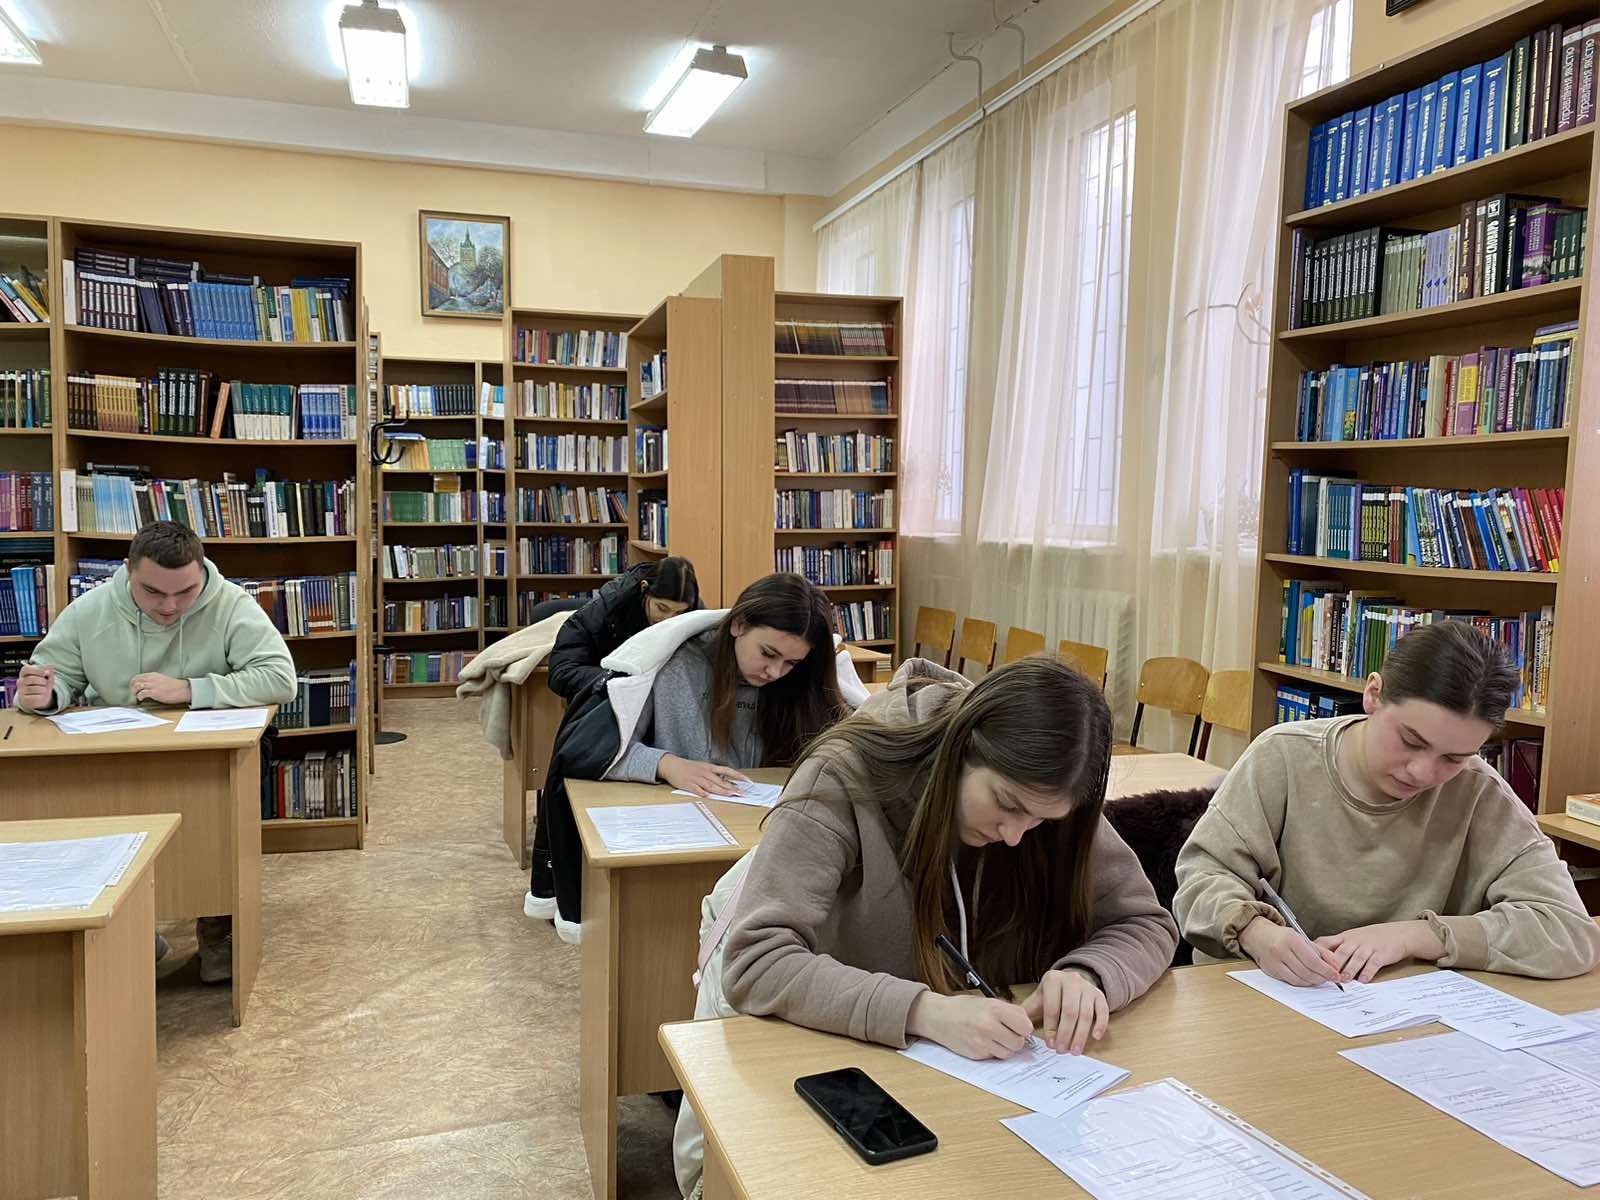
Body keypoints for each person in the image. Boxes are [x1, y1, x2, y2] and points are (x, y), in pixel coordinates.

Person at [670, 655, 1178, 1197]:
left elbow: (1145, 923)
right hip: (843, 1055)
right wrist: (924, 1012)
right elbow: (757, 961)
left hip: (974, 1081)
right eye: (1006, 805)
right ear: (962, 749)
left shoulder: (1049, 791)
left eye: (1039, 821)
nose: (1016, 835)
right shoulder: (845, 772)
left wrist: (1088, 973)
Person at [1174, 620, 1600, 987]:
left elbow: (1570, 931)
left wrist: (1419, 936)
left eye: (1454, 758)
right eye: (1411, 740)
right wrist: (1256, 932)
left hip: (1404, 1016)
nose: (1422, 773)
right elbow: (1201, 877)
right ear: (1373, 694)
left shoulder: (1480, 792)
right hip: (1262, 998)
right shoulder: (1282, 757)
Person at [17, 520, 297, 983]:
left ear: (201, 573)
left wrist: (189, 689)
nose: (169, 607)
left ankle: (218, 926)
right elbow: (55, 676)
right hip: (120, 744)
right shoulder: (90, 611)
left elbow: (279, 679)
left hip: (212, 742)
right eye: (152, 592)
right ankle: (128, 925)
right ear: (128, 571)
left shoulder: (231, 604)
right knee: (73, 796)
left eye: (185, 593)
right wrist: (44, 696)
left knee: (215, 811)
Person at [525, 572, 865, 942]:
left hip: (759, 834)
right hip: (680, 838)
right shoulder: (673, 664)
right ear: (738, 625)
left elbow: (847, 746)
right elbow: (588, 750)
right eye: (768, 654)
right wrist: (667, 764)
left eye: (791, 663)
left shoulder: (801, 680)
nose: (775, 672)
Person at [544, 556, 700, 702]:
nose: (669, 620)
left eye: (678, 613)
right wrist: (619, 680)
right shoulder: (605, 609)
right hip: (607, 698)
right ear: (644, 588)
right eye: (662, 608)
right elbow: (562, 672)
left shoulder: (691, 610)